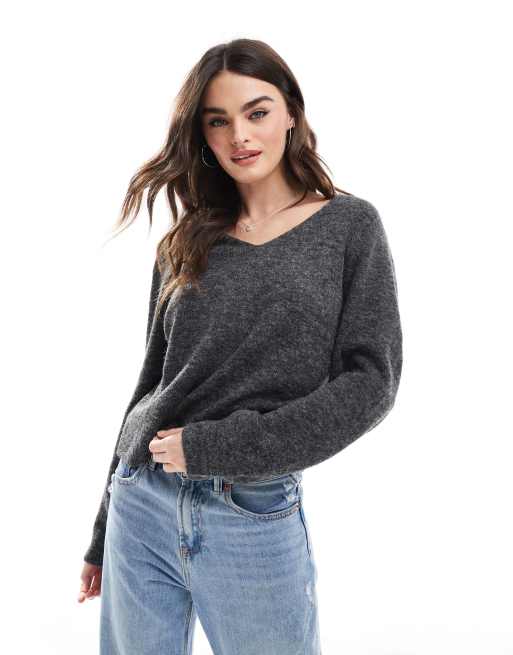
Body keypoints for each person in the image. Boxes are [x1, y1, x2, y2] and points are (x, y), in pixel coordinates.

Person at [78, 38, 403, 655]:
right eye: (218, 121)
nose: (240, 136)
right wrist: (101, 531)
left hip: (250, 508)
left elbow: (371, 384)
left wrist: (215, 447)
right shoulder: (185, 240)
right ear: (202, 134)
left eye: (257, 112)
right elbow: (152, 383)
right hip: (140, 502)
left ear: (291, 113)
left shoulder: (349, 226)